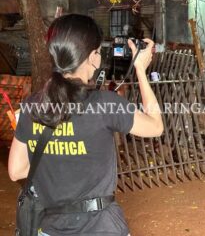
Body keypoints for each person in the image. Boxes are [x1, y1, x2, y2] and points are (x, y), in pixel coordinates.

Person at [8, 14, 163, 236]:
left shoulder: (32, 107)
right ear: (93, 57)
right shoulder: (106, 105)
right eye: (99, 51)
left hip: (50, 228)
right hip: (102, 228)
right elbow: (156, 126)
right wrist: (140, 70)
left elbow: (16, 171)